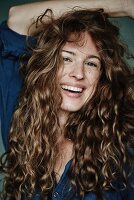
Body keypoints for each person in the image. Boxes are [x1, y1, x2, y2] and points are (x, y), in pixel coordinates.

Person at [0, 1, 134, 199]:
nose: (78, 74)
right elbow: (17, 19)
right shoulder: (21, 120)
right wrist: (124, 6)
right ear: (47, 66)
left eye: (91, 63)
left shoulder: (122, 145)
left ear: (103, 77)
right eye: (66, 58)